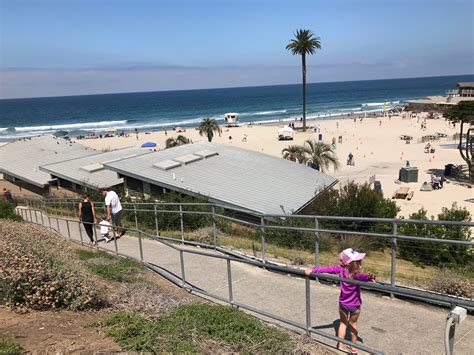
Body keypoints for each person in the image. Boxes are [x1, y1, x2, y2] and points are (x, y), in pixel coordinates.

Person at [305, 248, 376, 353]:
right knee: (353, 325)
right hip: (355, 305)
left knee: (343, 323)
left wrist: (312, 271)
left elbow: (327, 269)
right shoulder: (357, 274)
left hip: (343, 303)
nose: (360, 263)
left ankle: (341, 345)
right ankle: (353, 347)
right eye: (358, 261)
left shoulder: (340, 269)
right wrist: (370, 278)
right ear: (354, 263)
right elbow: (364, 277)